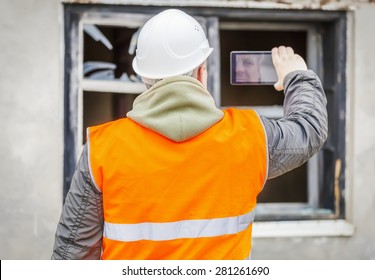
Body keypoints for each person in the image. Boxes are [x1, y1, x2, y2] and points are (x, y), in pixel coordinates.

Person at [52, 9, 327, 260]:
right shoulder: (250, 136)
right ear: (202, 73)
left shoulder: (104, 149)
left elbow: (72, 252)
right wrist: (296, 76)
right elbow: (309, 128)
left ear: (144, 79)